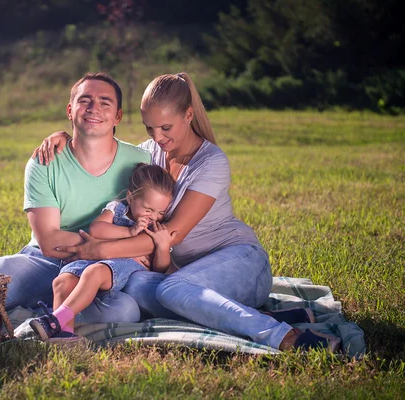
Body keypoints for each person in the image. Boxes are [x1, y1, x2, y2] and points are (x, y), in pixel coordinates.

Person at [34, 72, 341, 352]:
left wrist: (98, 249)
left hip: (239, 262)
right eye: (149, 128)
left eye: (166, 127)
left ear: (189, 115)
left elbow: (173, 235)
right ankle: (274, 315)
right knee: (138, 286)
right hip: (180, 274)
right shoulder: (151, 153)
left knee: (173, 289)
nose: (158, 137)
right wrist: (64, 136)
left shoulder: (211, 162)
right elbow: (103, 144)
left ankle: (284, 336)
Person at [0, 72, 151, 327]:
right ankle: (44, 308)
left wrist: (105, 252)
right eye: (84, 100)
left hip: (102, 267)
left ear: (118, 116)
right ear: (70, 110)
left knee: (123, 313)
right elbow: (49, 241)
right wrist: (124, 246)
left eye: (104, 102)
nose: (94, 109)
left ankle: (43, 313)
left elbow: (152, 234)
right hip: (44, 261)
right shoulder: (44, 161)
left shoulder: (140, 162)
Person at [29, 163, 177, 342]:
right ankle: (64, 335)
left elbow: (159, 269)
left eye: (161, 212)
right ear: (130, 198)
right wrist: (129, 232)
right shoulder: (117, 209)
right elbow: (96, 230)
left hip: (122, 267)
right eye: (149, 209)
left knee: (95, 272)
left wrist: (162, 246)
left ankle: (55, 320)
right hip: (92, 260)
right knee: (62, 281)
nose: (154, 216)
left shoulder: (154, 229)